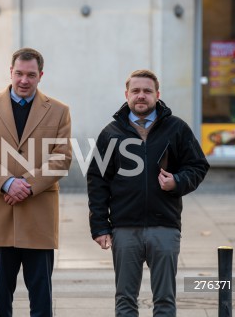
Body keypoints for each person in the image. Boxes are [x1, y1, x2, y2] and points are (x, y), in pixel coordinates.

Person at [87, 69, 209, 317]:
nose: (141, 96)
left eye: (147, 91)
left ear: (157, 95)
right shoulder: (111, 133)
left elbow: (198, 166)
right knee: (125, 301)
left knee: (165, 301)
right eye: (136, 91)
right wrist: (99, 226)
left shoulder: (176, 128)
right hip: (124, 228)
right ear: (126, 94)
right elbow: (97, 180)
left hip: (164, 226)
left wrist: (177, 181)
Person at [0, 47, 72, 317]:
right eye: (19, 73)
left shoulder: (59, 111)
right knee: (0, 295)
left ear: (41, 76)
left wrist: (24, 184)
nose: (24, 80)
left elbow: (62, 158)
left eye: (31, 75)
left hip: (39, 215)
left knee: (41, 294)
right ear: (10, 72)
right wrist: (6, 183)